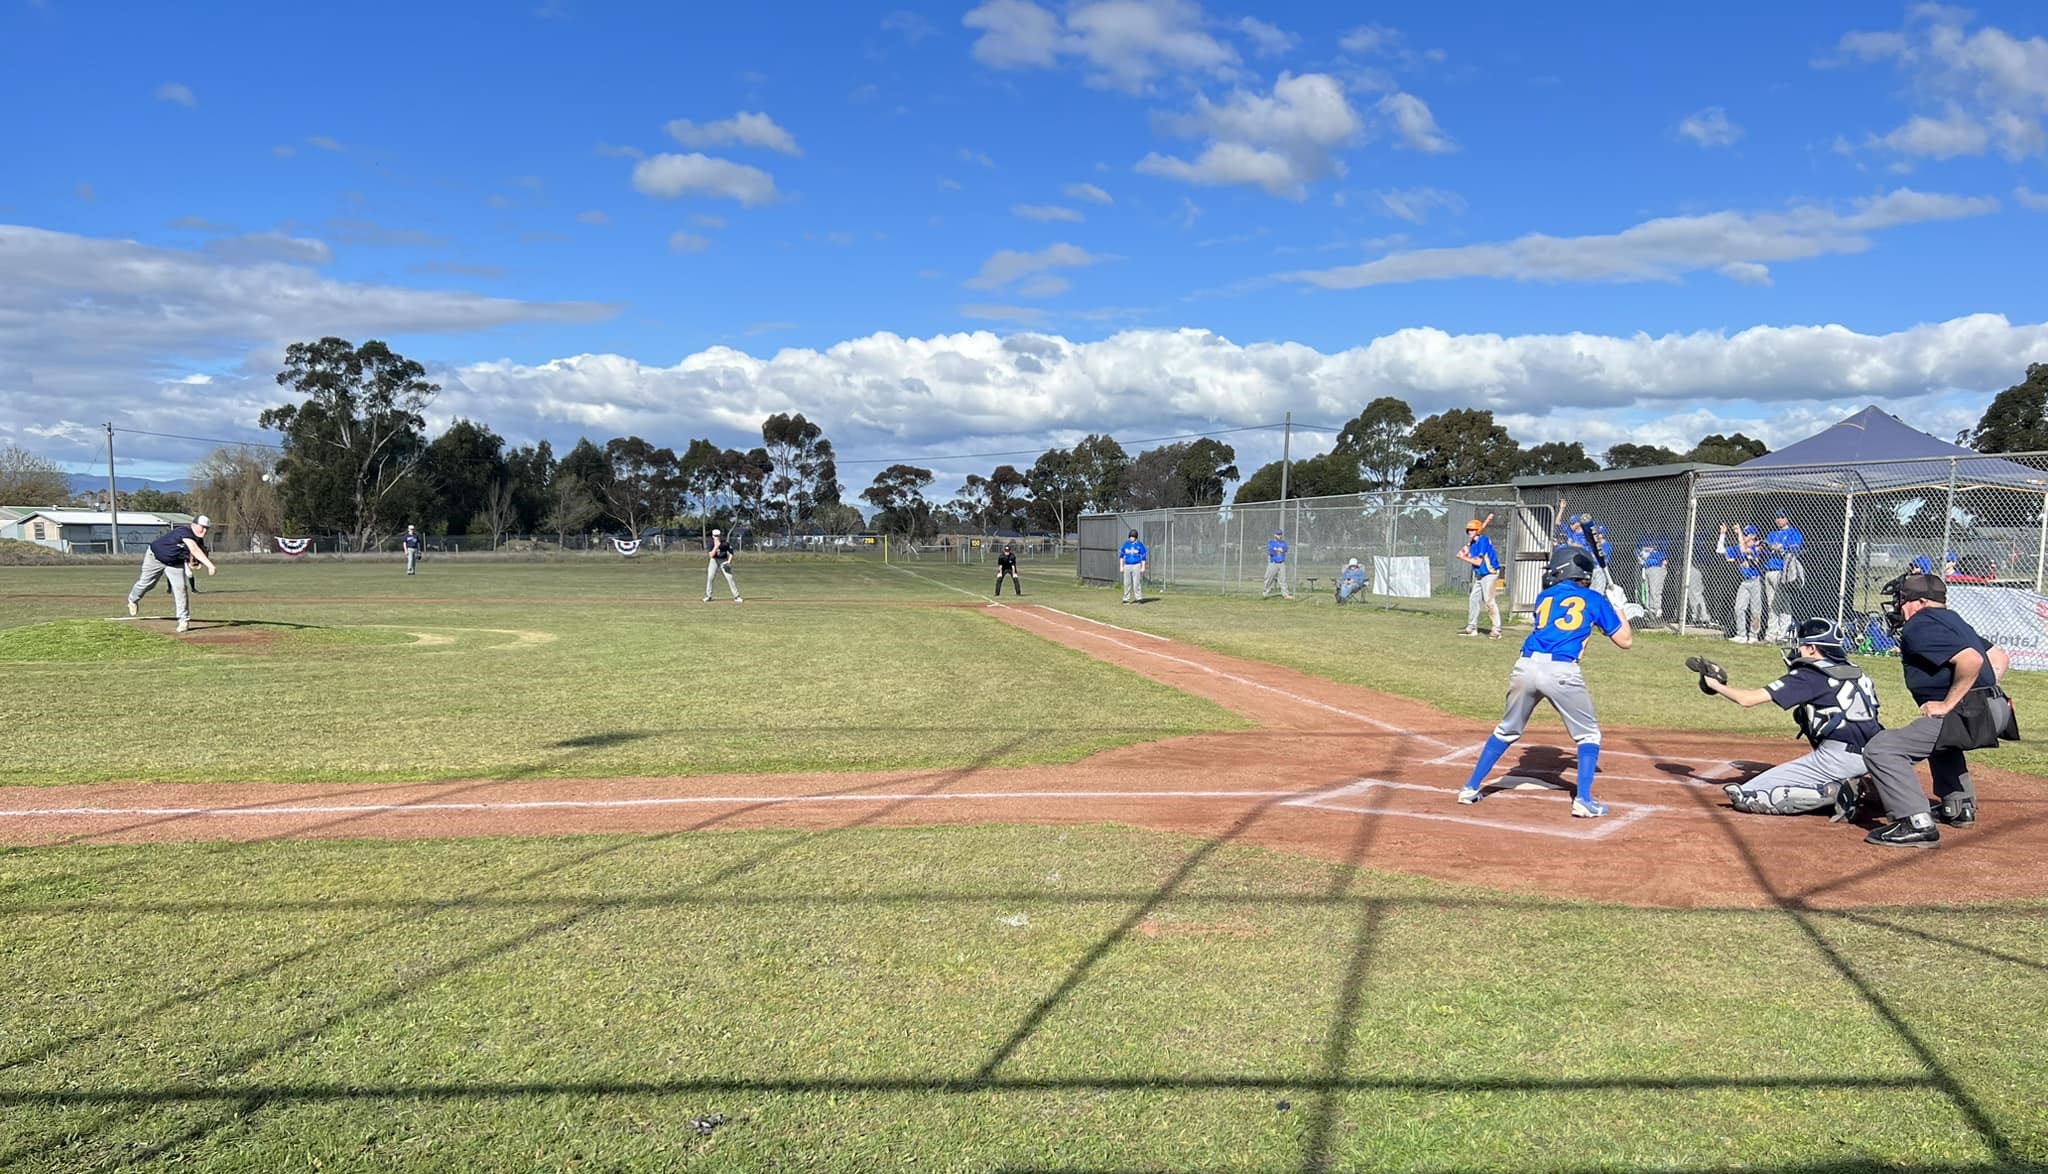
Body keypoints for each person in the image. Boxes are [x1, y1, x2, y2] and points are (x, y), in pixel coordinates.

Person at [1456, 548, 1633, 818]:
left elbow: (1573, 630)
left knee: (1507, 729)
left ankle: (1469, 788)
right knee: (1589, 735)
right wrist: (1618, 606)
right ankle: (1583, 800)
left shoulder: (1545, 597)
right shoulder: (1593, 598)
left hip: (1525, 666)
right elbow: (1625, 641)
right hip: (1561, 670)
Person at [1859, 572, 2012, 848]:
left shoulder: (1920, 624)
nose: (1899, 607)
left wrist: (1949, 702)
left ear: (1918, 602)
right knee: (1942, 742)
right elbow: (1999, 656)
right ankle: (1959, 806)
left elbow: (1972, 660)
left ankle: (1914, 822)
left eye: (1902, 600)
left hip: (1971, 712)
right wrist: (1980, 690)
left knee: (1882, 749)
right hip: (1996, 708)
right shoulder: (1953, 619)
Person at [1696, 619, 1882, 817]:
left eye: (1801, 644)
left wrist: (1714, 684)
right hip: (1878, 754)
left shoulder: (1812, 674)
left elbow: (1747, 700)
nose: (1797, 649)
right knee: (1802, 714)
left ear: (1812, 648)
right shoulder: (1857, 671)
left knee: (1747, 795)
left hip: (1838, 757)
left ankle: (1831, 792)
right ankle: (1860, 784)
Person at [126, 514, 217, 634]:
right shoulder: (184, 531)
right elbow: (193, 549)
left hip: (174, 563)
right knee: (147, 584)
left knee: (181, 588)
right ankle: (133, 600)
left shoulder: (199, 541)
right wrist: (210, 565)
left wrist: (194, 563)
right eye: (202, 527)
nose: (204, 531)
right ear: (193, 525)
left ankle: (184, 620)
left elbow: (193, 555)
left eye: (207, 528)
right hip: (155, 557)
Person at [1456, 518, 1502, 639]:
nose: (1470, 532)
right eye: (1468, 530)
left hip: (1490, 573)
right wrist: (1465, 553)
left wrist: (1463, 558)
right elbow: (1472, 557)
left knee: (1489, 601)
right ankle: (1472, 628)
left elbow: (1478, 562)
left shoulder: (1483, 540)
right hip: (1480, 575)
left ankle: (1496, 630)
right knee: (1473, 599)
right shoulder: (1472, 544)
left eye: (1472, 530)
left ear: (1478, 530)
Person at [1721, 523, 1767, 643]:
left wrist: (1740, 533)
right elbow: (1720, 550)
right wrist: (1723, 534)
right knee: (1739, 608)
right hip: (1744, 582)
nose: (1745, 537)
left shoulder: (1757, 548)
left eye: (1747, 535)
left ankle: (1753, 636)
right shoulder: (1738, 547)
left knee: (1755, 610)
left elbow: (1744, 550)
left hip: (1755, 581)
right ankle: (1741, 634)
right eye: (1744, 534)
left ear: (1753, 536)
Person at [1762, 513, 1804, 642]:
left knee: (1783, 603)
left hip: (1782, 572)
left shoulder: (1793, 533)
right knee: (1771, 605)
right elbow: (1765, 549)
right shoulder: (1772, 534)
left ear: (1787, 518)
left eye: (1782, 517)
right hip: (1769, 570)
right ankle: (1771, 635)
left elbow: (1796, 549)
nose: (1779, 519)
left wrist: (1781, 547)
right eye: (1777, 517)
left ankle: (1783, 634)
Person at [1636, 534, 1669, 622]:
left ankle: (1656, 611)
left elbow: (1661, 555)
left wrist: (1649, 552)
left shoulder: (1663, 539)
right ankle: (1648, 610)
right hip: (1646, 567)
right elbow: (1639, 551)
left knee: (1654, 590)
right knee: (1646, 590)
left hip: (1657, 567)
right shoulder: (1645, 538)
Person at [705, 528, 742, 603]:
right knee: (710, 577)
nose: (717, 537)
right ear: (712, 536)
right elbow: (711, 555)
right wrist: (716, 546)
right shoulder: (710, 543)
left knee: (730, 578)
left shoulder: (725, 543)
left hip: (723, 560)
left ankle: (736, 596)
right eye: (715, 536)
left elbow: (731, 553)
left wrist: (728, 561)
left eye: (718, 535)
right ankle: (708, 596)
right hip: (714, 560)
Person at [1118, 529, 1148, 604]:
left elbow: (1143, 557)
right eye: (1130, 536)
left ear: (1136, 537)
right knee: (1127, 583)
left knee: (1136, 582)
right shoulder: (1126, 544)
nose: (1131, 538)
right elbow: (1121, 557)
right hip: (1127, 565)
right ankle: (1126, 599)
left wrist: (1143, 567)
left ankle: (1139, 598)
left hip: (1136, 565)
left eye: (1133, 537)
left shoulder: (1139, 545)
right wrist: (1121, 566)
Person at [1262, 530, 1293, 599]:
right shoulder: (1271, 542)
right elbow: (1270, 550)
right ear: (1275, 535)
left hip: (1281, 563)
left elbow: (1285, 548)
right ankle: (1265, 593)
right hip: (1273, 563)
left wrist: (1281, 549)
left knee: (1283, 580)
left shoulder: (1283, 543)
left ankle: (1285, 594)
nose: (1280, 536)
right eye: (1278, 535)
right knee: (1269, 578)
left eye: (1280, 534)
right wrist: (1277, 549)